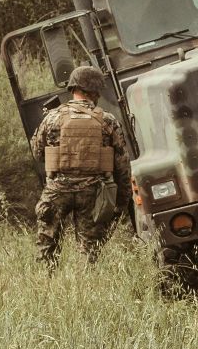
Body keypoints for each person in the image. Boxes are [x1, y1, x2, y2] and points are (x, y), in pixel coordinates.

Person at [31, 65, 130, 267]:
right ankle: (86, 288)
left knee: (46, 248)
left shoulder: (52, 118)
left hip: (57, 191)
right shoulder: (108, 121)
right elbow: (122, 164)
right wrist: (122, 199)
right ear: (93, 92)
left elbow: (37, 153)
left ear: (73, 89)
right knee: (89, 252)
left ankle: (44, 288)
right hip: (93, 192)